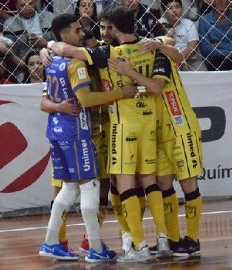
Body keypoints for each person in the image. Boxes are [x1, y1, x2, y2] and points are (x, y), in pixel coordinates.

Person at [46, 6, 181, 262]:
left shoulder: (106, 53)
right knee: (148, 181)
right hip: (148, 123)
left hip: (120, 126)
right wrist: (160, 45)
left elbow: (67, 50)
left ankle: (133, 244)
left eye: (108, 27)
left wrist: (50, 44)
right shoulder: (154, 47)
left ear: (115, 28)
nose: (103, 32)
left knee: (115, 184)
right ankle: (160, 237)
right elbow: (173, 52)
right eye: (101, 28)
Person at [38, 13, 136, 263]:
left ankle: (50, 242)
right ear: (64, 35)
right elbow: (86, 100)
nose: (82, 33)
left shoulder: (52, 60)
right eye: (77, 29)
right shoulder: (76, 63)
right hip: (76, 131)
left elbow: (48, 96)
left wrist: (48, 46)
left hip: (57, 129)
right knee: (90, 185)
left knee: (69, 187)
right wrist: (121, 93)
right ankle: (95, 247)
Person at [109, 38, 203, 256]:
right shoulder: (122, 55)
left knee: (189, 183)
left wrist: (159, 46)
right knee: (163, 184)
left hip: (181, 125)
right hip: (156, 129)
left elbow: (177, 57)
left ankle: (193, 239)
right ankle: (173, 239)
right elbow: (147, 88)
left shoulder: (157, 49)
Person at [198, 0, 232, 71]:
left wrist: (218, 45)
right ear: (214, 1)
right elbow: (205, 50)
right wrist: (231, 52)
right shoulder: (205, 20)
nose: (221, 1)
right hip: (213, 61)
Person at [159, 0, 205, 71]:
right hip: (165, 59)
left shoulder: (188, 23)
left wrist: (180, 58)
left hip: (188, 59)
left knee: (201, 69)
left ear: (182, 9)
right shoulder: (159, 24)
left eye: (177, 7)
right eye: (170, 8)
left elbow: (193, 46)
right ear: (164, 11)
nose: (174, 10)